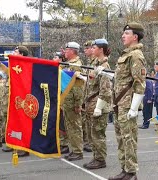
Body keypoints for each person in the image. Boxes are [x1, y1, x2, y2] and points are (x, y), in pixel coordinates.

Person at [98, 22, 146, 180]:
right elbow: (121, 79)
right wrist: (105, 73)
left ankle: (131, 172)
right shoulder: (125, 55)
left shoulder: (136, 55)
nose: (123, 36)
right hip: (119, 103)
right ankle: (125, 169)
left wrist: (134, 108)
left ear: (135, 37)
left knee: (128, 139)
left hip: (127, 106)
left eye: (126, 34)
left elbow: (139, 84)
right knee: (121, 139)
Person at [82, 38, 112, 169]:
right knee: (92, 134)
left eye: (94, 48)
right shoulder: (95, 65)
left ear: (101, 50)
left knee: (98, 134)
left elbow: (105, 90)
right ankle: (95, 157)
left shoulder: (104, 66)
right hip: (91, 104)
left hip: (98, 105)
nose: (91, 49)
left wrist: (98, 107)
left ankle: (100, 159)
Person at [62, 42, 85, 161]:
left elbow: (78, 86)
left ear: (72, 51)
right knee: (70, 127)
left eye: (66, 50)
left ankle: (78, 151)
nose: (64, 52)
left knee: (75, 127)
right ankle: (74, 149)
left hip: (72, 102)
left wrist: (78, 103)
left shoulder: (76, 65)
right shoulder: (69, 64)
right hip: (67, 101)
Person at [82, 40, 94, 153]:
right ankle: (90, 143)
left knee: (94, 126)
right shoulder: (90, 62)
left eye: (87, 48)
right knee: (88, 123)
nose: (85, 50)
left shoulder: (98, 63)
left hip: (94, 99)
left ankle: (93, 145)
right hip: (88, 98)